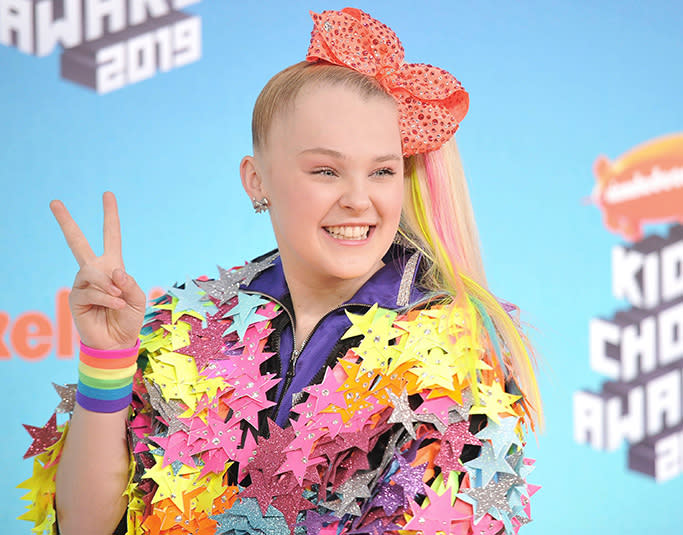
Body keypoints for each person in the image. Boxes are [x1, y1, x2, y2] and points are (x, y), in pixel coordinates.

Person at [19, 7, 542, 535]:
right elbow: (85, 527)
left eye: (382, 171)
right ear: (256, 180)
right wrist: (108, 360)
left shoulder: (459, 348)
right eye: (325, 170)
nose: (359, 200)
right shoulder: (184, 323)